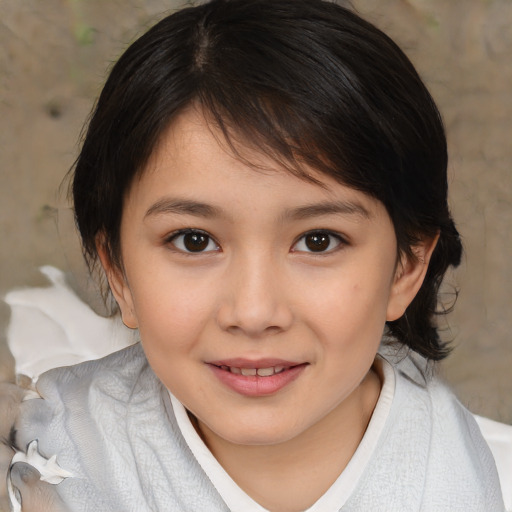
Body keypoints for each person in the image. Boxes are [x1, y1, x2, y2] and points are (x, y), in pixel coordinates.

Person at [4, 0, 506, 510]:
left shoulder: (448, 482)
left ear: (406, 267)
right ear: (119, 272)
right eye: (194, 240)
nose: (254, 312)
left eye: (318, 240)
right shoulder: (56, 452)